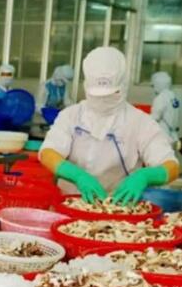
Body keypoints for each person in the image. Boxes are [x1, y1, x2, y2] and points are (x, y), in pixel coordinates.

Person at [39, 47, 179, 206]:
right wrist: (78, 176)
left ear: (123, 86)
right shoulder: (71, 115)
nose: (103, 101)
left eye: (111, 94)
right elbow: (48, 152)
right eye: (97, 95)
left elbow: (171, 166)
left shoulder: (140, 122)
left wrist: (145, 176)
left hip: (117, 208)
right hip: (68, 204)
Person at [150, 71, 180, 146]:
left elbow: (155, 117)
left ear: (158, 84)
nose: (153, 88)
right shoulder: (173, 96)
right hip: (173, 135)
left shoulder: (161, 98)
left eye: (154, 85)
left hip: (163, 134)